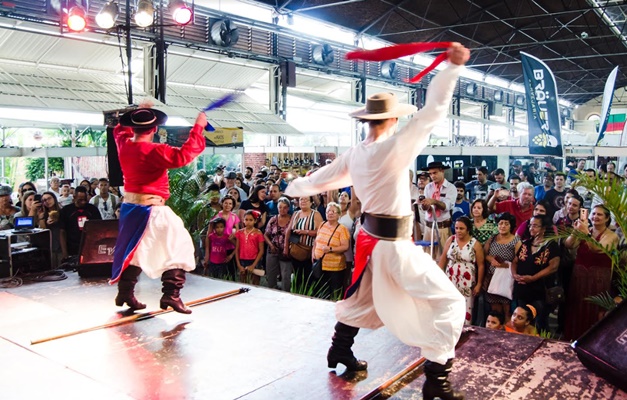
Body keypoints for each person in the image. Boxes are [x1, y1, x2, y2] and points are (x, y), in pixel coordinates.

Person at [285, 42, 469, 400]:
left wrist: (293, 186)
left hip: (370, 242)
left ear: (367, 120)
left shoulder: (356, 153)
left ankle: (340, 351)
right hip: (393, 246)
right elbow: (432, 112)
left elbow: (318, 180)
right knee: (450, 302)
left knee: (361, 299)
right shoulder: (394, 147)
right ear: (394, 120)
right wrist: (451, 70)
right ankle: (437, 380)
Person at [111, 104, 206, 314]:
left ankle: (125, 292)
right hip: (152, 209)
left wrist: (138, 111)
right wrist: (198, 127)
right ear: (154, 129)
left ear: (133, 128)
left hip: (130, 209)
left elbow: (119, 130)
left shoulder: (123, 145)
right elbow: (184, 155)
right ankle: (171, 295)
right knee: (179, 245)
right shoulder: (155, 151)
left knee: (133, 251)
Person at [563, 204, 619, 340]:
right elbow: (569, 245)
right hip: (579, 276)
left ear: (607, 219)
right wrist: (576, 231)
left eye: (599, 214)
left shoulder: (612, 236)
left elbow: (598, 248)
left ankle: (592, 340)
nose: (595, 217)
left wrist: (586, 233)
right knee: (576, 307)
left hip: (599, 279)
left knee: (595, 309)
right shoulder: (585, 230)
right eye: (593, 214)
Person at [511, 215, 560, 332]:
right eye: (530, 225)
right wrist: (514, 274)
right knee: (521, 321)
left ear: (543, 228)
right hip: (522, 289)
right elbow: (515, 262)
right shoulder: (526, 243)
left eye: (535, 226)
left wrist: (533, 278)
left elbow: (553, 267)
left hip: (539, 291)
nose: (531, 228)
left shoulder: (551, 245)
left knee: (539, 322)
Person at [439, 216, 485, 326]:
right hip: (451, 279)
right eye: (456, 228)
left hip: (467, 282)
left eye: (461, 228)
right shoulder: (451, 240)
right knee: (449, 305)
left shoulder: (475, 244)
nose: (458, 231)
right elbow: (443, 259)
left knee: (466, 307)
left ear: (468, 229)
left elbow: (481, 265)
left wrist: (479, 284)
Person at [483, 213, 520, 323]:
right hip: (492, 279)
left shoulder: (516, 241)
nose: (502, 226)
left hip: (506, 281)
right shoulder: (492, 238)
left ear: (511, 226)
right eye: (500, 223)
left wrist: (505, 265)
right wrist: (491, 259)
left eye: (506, 224)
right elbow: (484, 254)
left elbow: (518, 261)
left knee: (507, 310)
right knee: (495, 311)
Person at [312, 202, 351, 299]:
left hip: (335, 268)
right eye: (328, 211)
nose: (330, 213)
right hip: (320, 265)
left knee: (334, 293)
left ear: (339, 214)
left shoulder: (342, 229)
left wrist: (330, 249)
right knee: (322, 292)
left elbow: (345, 246)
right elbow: (316, 241)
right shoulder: (322, 225)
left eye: (333, 211)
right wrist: (313, 253)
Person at [421, 161, 457, 257]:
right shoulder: (428, 187)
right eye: (431, 174)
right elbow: (426, 208)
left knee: (442, 258)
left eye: (435, 173)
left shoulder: (451, 188)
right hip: (428, 228)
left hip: (443, 228)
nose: (432, 176)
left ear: (442, 171)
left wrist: (434, 201)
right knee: (427, 258)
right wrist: (424, 204)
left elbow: (447, 206)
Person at [59, 186, 102, 259]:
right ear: (74, 197)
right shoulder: (66, 210)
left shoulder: (92, 209)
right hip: (72, 247)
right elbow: (62, 231)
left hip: (90, 246)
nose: (83, 202)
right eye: (80, 200)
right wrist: (64, 252)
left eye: (85, 199)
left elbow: (99, 228)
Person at [264, 197, 293, 291]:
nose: (282, 209)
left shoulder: (292, 219)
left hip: (286, 252)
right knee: (271, 274)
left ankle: (286, 294)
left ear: (288, 208)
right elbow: (266, 235)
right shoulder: (273, 219)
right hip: (273, 250)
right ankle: (272, 292)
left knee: (286, 275)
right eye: (280, 207)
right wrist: (271, 245)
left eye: (285, 207)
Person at [234, 210, 265, 285]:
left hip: (254, 260)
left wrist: (253, 265)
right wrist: (239, 265)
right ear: (243, 220)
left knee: (255, 282)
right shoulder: (240, 232)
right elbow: (237, 249)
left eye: (251, 220)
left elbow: (261, 250)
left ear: (255, 221)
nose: (248, 222)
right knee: (243, 281)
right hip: (242, 260)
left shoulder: (258, 233)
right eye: (246, 219)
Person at [39, 191, 63, 268]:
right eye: (44, 200)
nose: (47, 201)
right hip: (50, 245)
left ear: (54, 198)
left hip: (61, 243)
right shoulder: (43, 214)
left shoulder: (62, 211)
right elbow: (43, 230)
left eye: (49, 198)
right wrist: (42, 219)